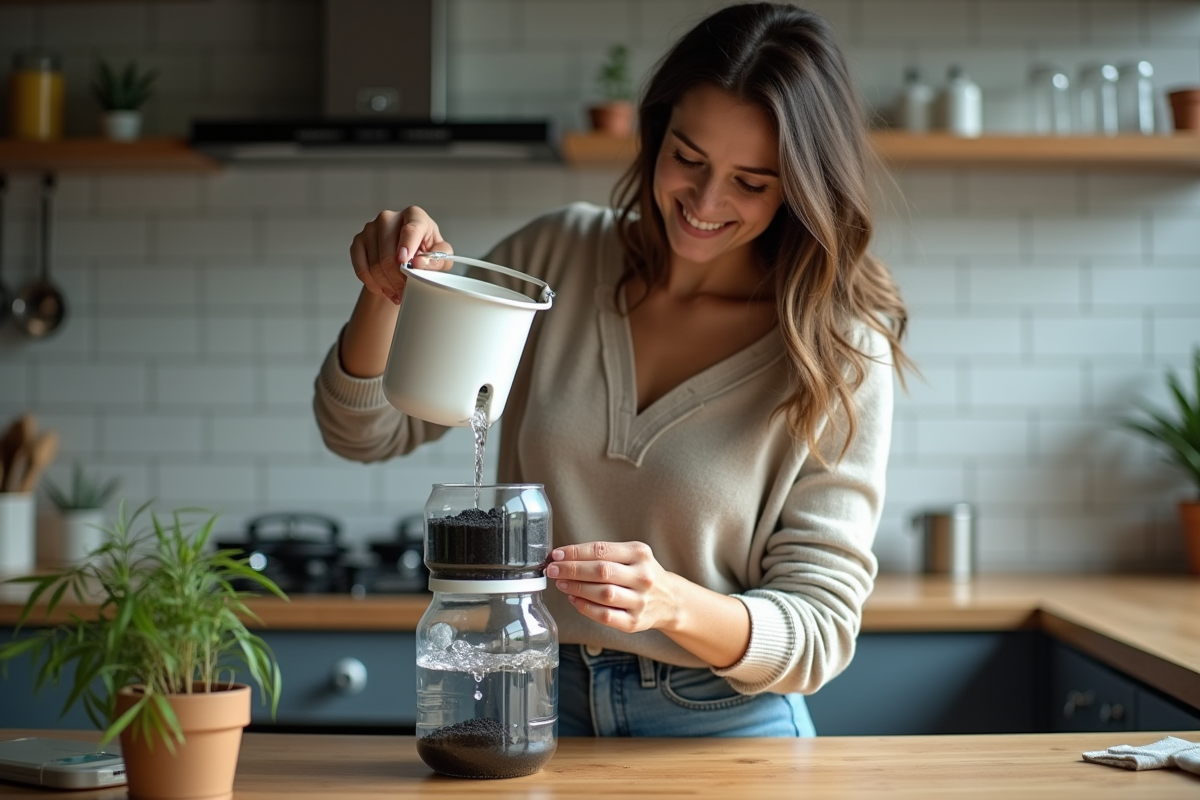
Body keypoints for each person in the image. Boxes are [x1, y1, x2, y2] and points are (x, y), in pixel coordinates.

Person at [313, 2, 911, 738]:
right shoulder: (556, 258)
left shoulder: (837, 347)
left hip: (721, 719)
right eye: (688, 158)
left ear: (801, 186)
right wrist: (387, 297)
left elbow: (819, 630)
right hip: (525, 693)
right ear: (656, 132)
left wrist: (670, 604)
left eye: (751, 182)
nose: (705, 202)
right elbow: (365, 433)